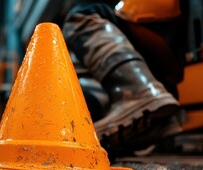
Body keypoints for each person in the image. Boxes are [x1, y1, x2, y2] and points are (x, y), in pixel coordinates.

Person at [54, 0, 187, 155]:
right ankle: (148, 119)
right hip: (164, 80)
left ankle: (138, 92)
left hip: (157, 46)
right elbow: (175, 74)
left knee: (81, 16)